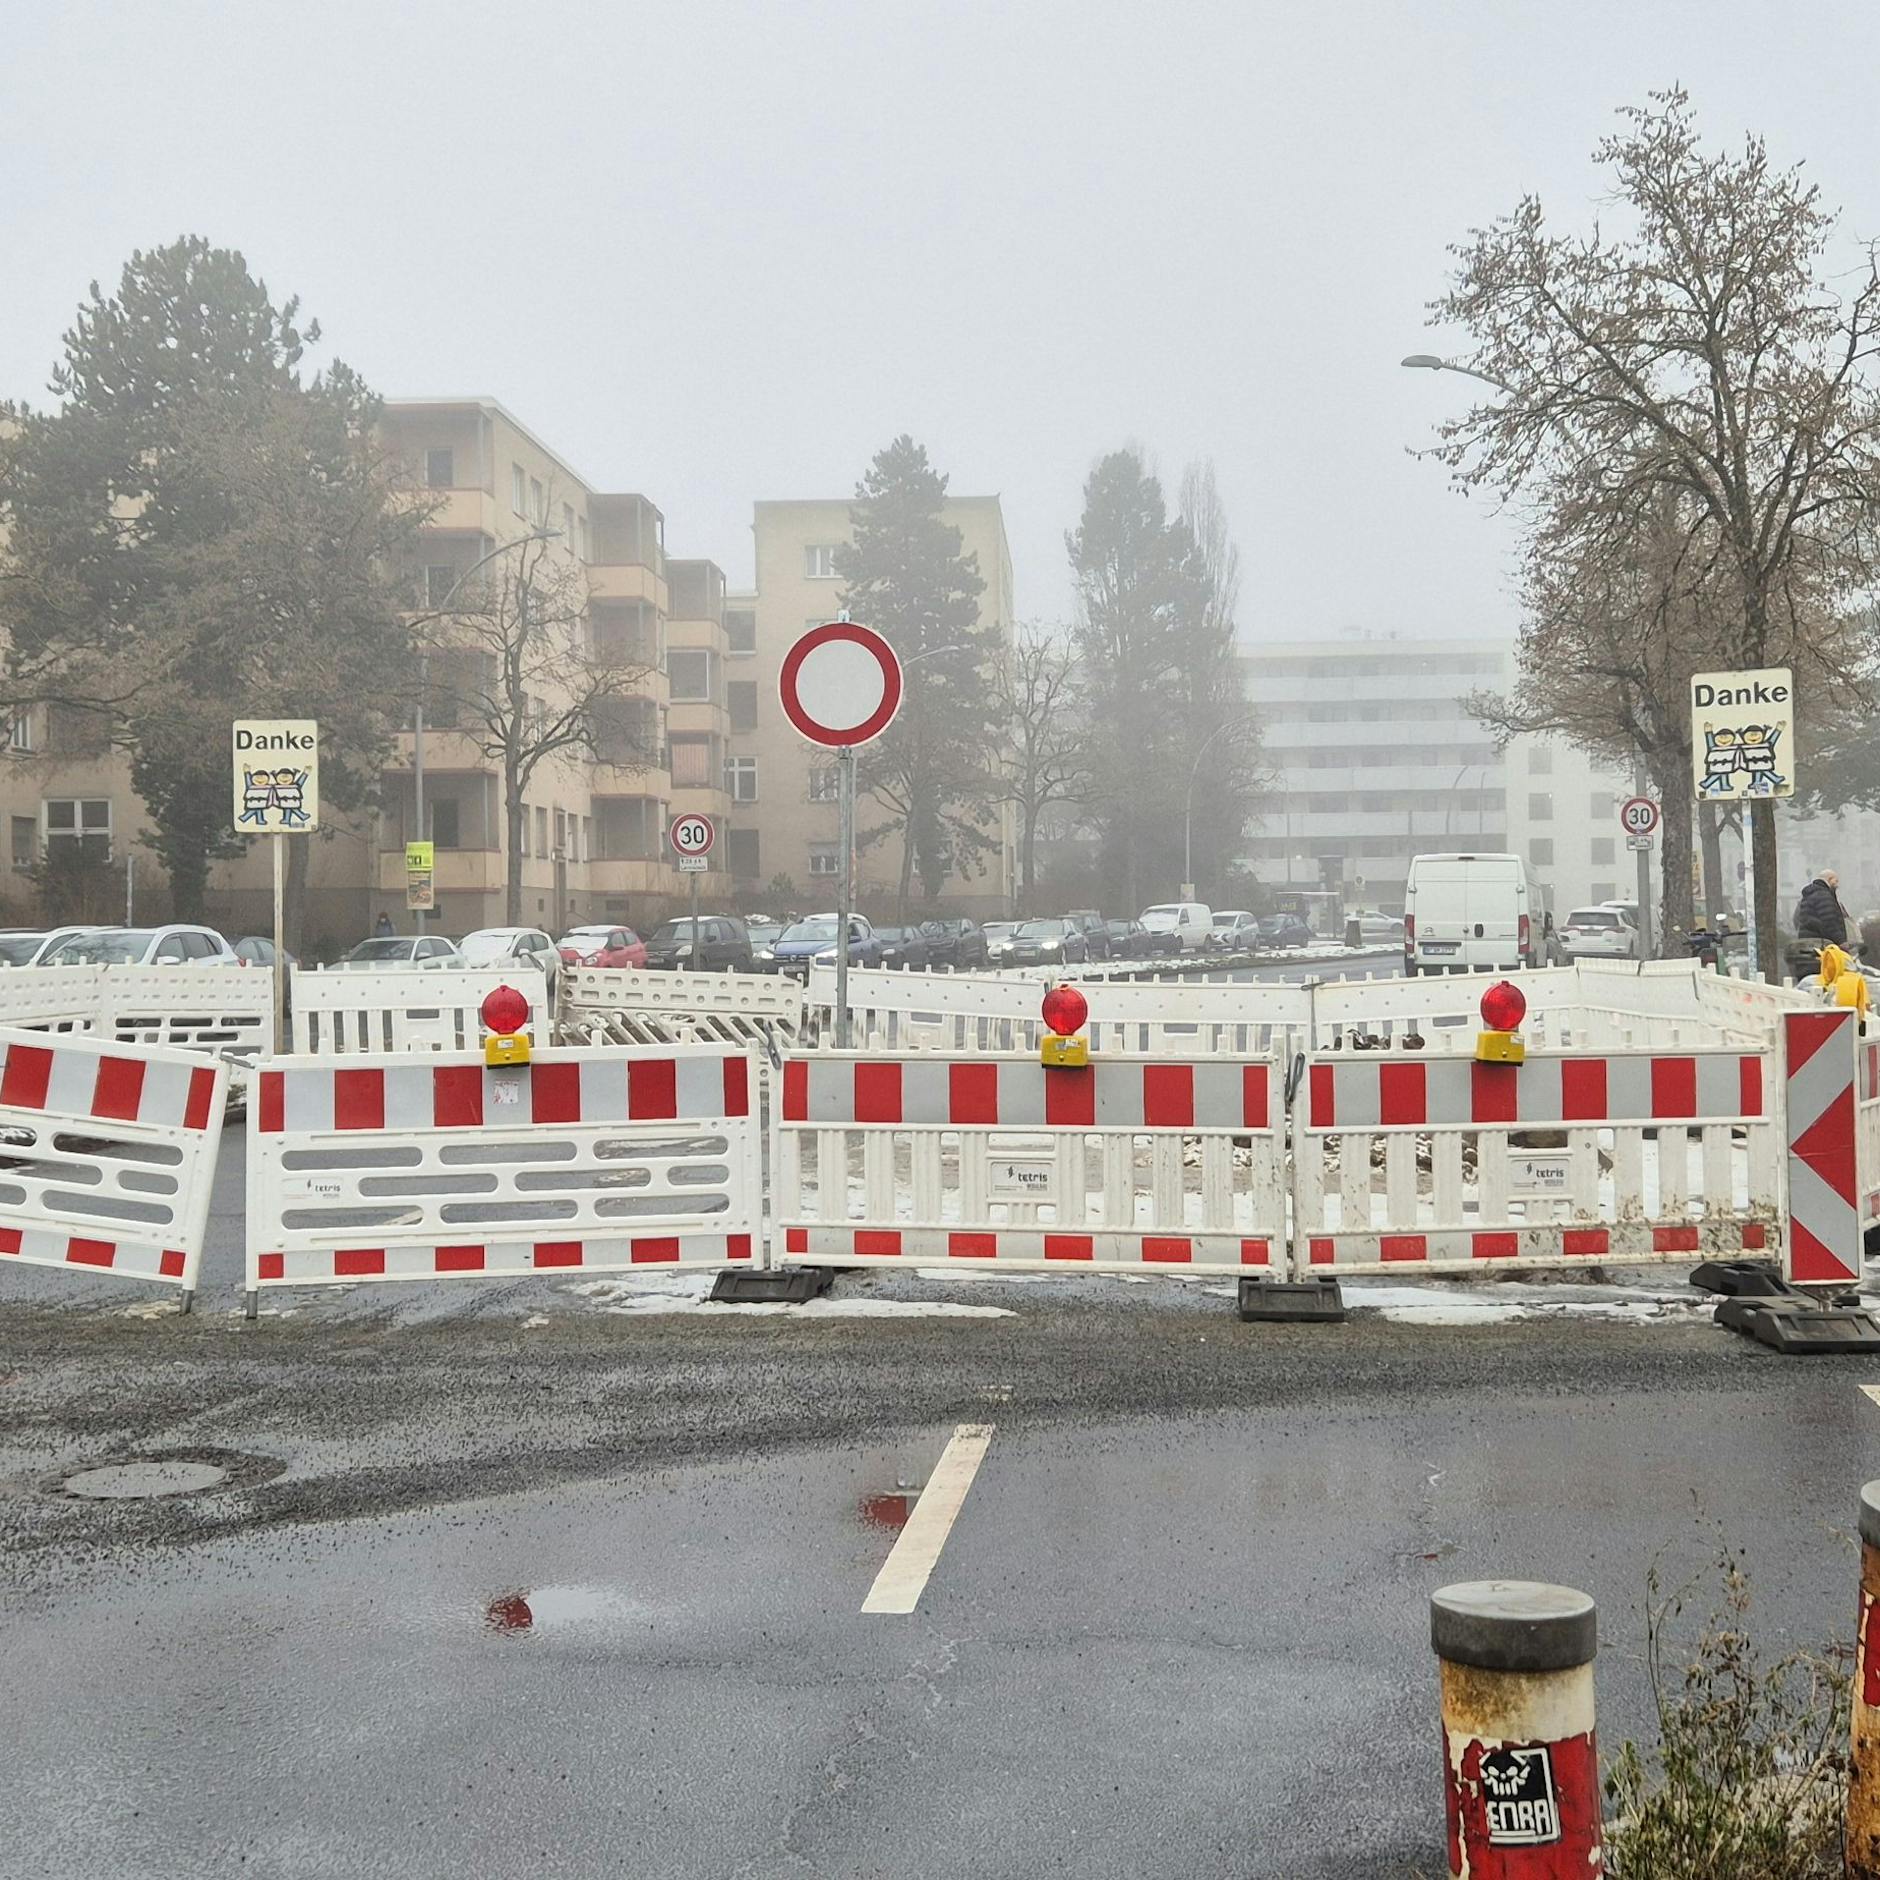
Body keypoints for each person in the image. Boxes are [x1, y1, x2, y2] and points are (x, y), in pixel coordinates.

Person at [1795, 869, 1848, 949]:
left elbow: (1797, 919)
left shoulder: (1809, 895)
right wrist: (1841, 941)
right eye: (1836, 881)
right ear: (1829, 879)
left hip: (1808, 942)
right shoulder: (1824, 896)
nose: (1837, 885)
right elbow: (1830, 921)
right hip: (1822, 943)